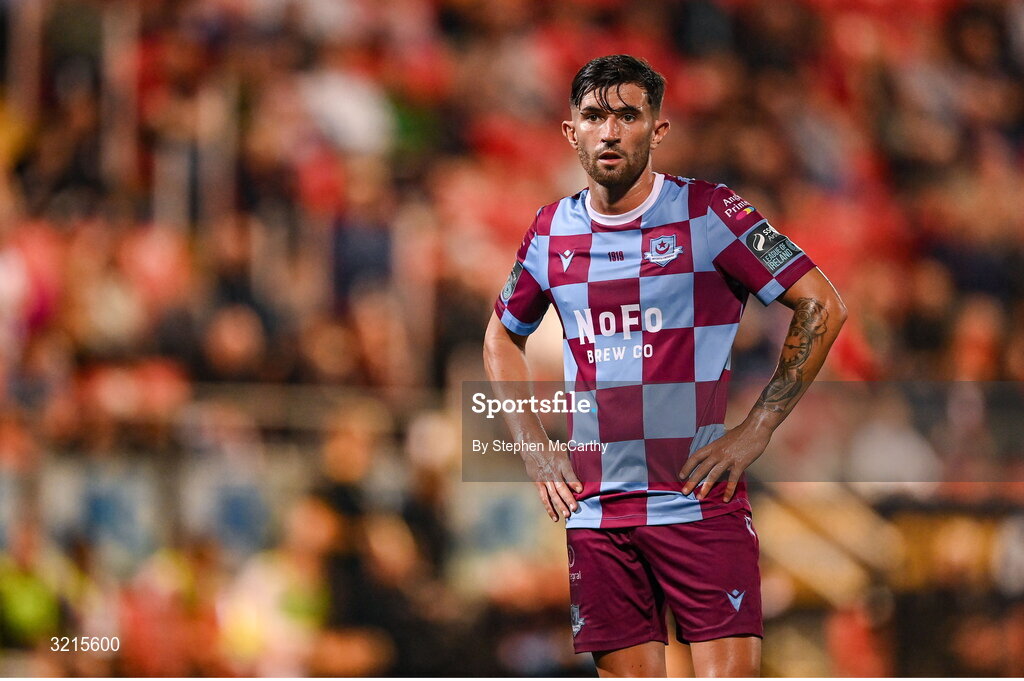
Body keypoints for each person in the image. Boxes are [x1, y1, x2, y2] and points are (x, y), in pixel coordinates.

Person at [482, 55, 847, 677]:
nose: (611, 131)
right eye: (595, 116)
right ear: (571, 131)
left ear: (658, 128)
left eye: (629, 114)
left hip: (699, 501)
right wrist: (534, 447)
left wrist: (757, 428)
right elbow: (499, 338)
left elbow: (822, 304)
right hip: (597, 513)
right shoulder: (550, 231)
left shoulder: (710, 214)